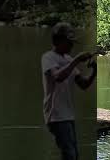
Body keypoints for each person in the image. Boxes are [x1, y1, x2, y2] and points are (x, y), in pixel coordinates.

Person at [41, 22, 96, 160]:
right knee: (70, 154)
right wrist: (77, 60)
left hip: (68, 115)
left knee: (73, 155)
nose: (72, 45)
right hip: (55, 115)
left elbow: (83, 84)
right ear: (58, 40)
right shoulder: (48, 57)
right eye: (69, 42)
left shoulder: (68, 59)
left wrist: (94, 71)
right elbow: (57, 77)